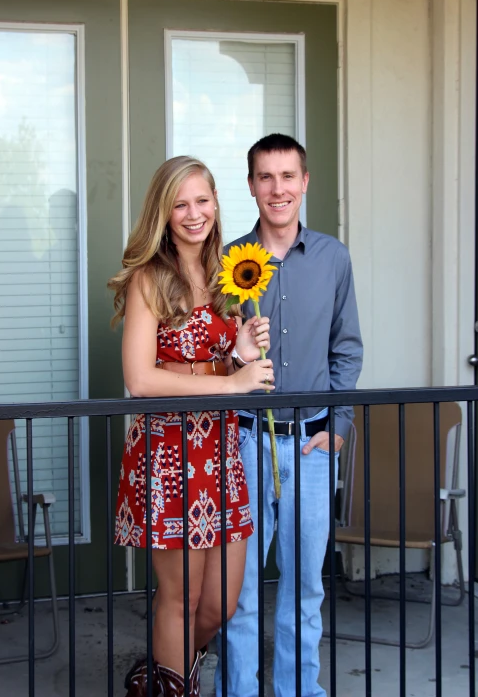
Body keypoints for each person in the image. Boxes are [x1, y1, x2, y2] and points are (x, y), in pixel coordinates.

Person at [108, 155, 275, 697]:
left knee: (219, 602)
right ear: (163, 211)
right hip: (169, 455)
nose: (193, 213)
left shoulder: (226, 275)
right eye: (180, 203)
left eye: (202, 200)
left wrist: (239, 353)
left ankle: (164, 677)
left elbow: (215, 363)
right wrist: (230, 384)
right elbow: (139, 379)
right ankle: (172, 684)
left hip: (221, 455)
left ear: (215, 205)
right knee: (179, 599)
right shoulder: (150, 278)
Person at [215, 133, 363, 697]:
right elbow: (211, 352)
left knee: (305, 587)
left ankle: (300, 691)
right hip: (247, 444)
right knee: (242, 587)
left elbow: (347, 348)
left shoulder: (333, 258)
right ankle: (240, 691)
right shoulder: (229, 259)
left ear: (305, 182)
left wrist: (340, 427)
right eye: (265, 177)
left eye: (288, 176)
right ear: (251, 186)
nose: (277, 189)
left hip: (311, 446)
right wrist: (236, 350)